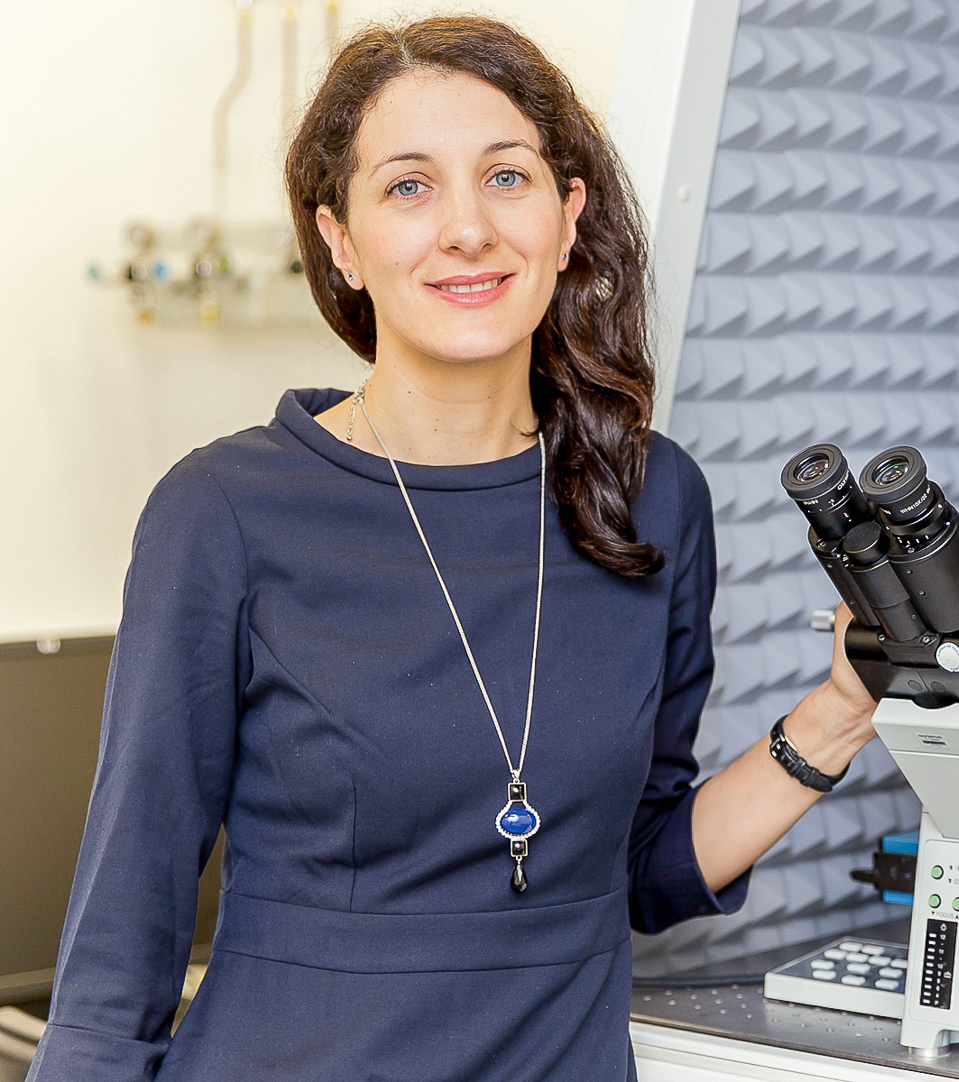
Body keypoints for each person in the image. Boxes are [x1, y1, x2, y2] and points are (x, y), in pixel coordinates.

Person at [26, 16, 885, 1082]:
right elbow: (123, 931)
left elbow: (635, 868)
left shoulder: (652, 499)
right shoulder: (224, 512)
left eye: (507, 177)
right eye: (408, 187)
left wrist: (845, 706)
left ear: (568, 217)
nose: (468, 228)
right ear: (340, 240)